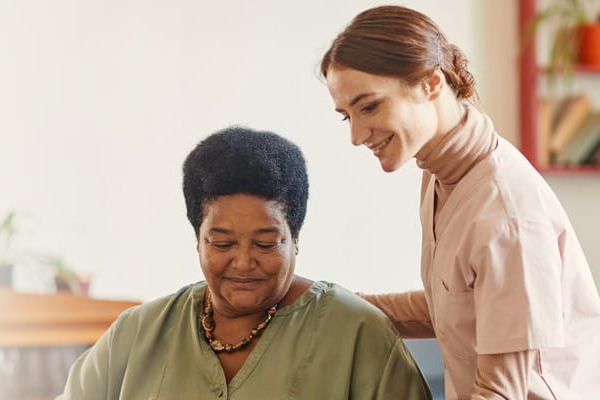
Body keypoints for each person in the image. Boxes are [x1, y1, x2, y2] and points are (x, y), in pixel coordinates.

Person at [321, 5, 600, 399]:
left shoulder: (505, 214)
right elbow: (454, 306)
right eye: (346, 116)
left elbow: (500, 393)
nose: (357, 135)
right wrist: (330, 305)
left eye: (369, 106)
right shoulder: (439, 172)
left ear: (431, 84)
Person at [57, 126, 431, 399]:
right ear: (197, 239)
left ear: (296, 238)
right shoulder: (138, 334)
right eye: (222, 243)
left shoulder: (359, 335)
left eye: (266, 243)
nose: (243, 261)